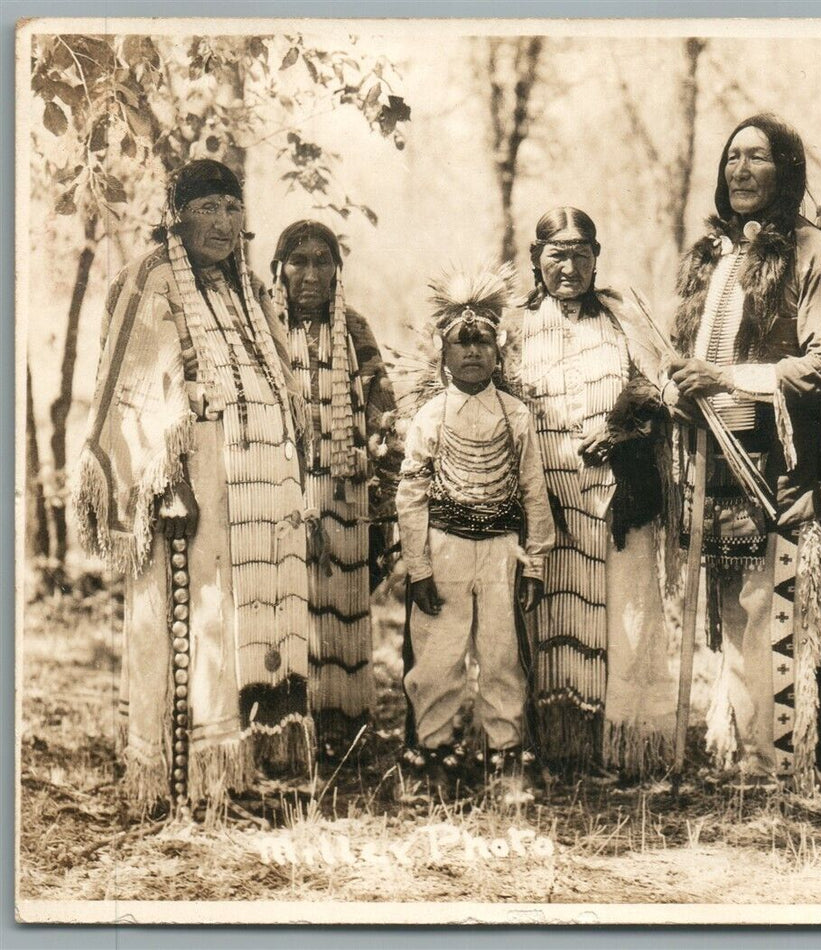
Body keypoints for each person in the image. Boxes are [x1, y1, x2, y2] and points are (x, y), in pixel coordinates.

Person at [73, 159, 312, 816]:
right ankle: (186, 787)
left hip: (257, 492)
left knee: (242, 624)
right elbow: (132, 390)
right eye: (208, 209)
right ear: (176, 217)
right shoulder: (150, 280)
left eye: (232, 209)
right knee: (196, 619)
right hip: (191, 485)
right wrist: (168, 477)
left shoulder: (249, 290)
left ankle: (235, 774)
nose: (223, 223)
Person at [666, 113, 821, 785]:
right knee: (731, 608)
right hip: (711, 462)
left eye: (758, 157)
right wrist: (679, 390)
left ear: (788, 170)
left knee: (782, 608)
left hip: (779, 462)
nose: (740, 170)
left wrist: (726, 380)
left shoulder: (817, 254)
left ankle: (801, 760)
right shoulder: (712, 255)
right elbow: (688, 354)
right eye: (732, 158)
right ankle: (747, 753)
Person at [501, 207, 677, 778]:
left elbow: (659, 387)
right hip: (546, 498)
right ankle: (559, 745)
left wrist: (620, 428)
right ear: (536, 259)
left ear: (597, 257)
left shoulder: (623, 318)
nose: (570, 267)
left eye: (581, 254)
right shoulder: (513, 326)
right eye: (557, 254)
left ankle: (627, 747)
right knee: (552, 615)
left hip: (617, 495)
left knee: (627, 616)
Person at [394, 267, 555, 797]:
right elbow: (411, 496)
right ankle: (432, 754)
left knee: (502, 654)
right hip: (444, 549)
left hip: (502, 550)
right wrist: (419, 569)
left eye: (482, 341)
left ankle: (505, 756)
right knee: (438, 655)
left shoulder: (516, 416)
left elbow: (533, 490)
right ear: (442, 353)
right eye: (460, 343)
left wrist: (534, 564)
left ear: (498, 352)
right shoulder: (430, 417)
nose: (472, 352)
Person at [271, 220, 402, 761]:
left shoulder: (354, 329)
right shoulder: (263, 327)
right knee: (284, 614)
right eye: (298, 261)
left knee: (341, 614)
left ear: (337, 271)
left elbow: (384, 421)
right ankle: (286, 734)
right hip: (276, 494)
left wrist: (384, 500)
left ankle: (343, 731)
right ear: (278, 269)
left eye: (321, 261)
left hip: (346, 497)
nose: (310, 274)